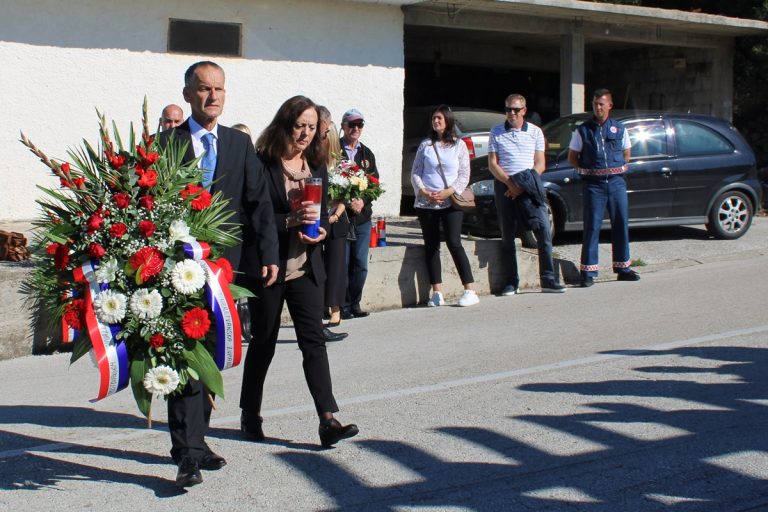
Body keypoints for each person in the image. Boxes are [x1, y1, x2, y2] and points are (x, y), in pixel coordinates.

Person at [160, 61, 279, 487]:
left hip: (224, 270)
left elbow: (258, 204)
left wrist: (268, 254)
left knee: (209, 354)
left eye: (219, 89)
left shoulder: (236, 145)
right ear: (189, 93)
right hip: (176, 270)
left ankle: (195, 440)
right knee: (183, 355)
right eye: (204, 89)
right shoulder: (165, 144)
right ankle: (187, 453)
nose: (213, 96)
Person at [239, 95, 359, 450]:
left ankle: (328, 420)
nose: (306, 134)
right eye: (300, 126)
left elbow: (319, 213)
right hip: (271, 267)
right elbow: (248, 219)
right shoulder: (262, 163)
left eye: (312, 127)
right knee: (264, 343)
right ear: (285, 124)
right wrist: (288, 221)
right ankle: (250, 412)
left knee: (314, 343)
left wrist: (322, 228)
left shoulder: (316, 164)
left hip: (306, 266)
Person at [488, 93, 566, 295]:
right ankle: (511, 282)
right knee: (508, 235)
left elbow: (540, 164)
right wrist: (509, 183)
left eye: (515, 109)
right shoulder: (496, 132)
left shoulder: (535, 132)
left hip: (529, 186)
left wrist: (522, 186)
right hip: (505, 187)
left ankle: (548, 279)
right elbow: (493, 163)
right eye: (508, 109)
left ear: (523, 110)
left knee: (543, 232)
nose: (511, 113)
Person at [568, 88, 640, 287]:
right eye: (595, 104)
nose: (598, 107)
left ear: (609, 105)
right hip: (594, 185)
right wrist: (588, 170)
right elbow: (572, 157)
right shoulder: (583, 130)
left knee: (621, 224)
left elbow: (627, 153)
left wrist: (615, 168)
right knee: (592, 226)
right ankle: (588, 272)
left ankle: (623, 268)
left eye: (601, 104)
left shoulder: (619, 128)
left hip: (616, 182)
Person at [411, 104, 479, 307]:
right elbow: (416, 172)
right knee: (431, 246)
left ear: (448, 121)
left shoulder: (459, 145)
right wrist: (424, 191)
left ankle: (469, 289)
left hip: (451, 202)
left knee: (454, 242)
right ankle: (436, 291)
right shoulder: (426, 145)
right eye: (434, 118)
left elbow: (464, 174)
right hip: (426, 203)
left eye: (440, 118)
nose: (436, 121)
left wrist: (449, 191)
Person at [339, 108, 379, 320]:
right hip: (342, 216)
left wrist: (362, 201)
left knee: (360, 264)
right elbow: (331, 181)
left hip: (362, 217)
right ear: (343, 126)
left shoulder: (367, 153)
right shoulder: (335, 151)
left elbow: (375, 185)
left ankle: (355, 303)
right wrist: (347, 202)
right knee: (343, 263)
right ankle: (342, 305)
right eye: (351, 124)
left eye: (359, 125)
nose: (355, 129)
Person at [318, 106, 350, 329]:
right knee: (317, 266)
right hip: (319, 219)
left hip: (337, 220)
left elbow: (347, 193)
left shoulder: (340, 163)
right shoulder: (311, 161)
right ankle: (318, 306)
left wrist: (336, 214)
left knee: (336, 267)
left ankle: (336, 310)